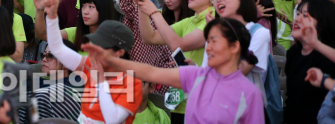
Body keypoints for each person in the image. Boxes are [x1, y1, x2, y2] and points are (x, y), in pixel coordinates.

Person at [83, 18, 265, 124]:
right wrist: (110, 59)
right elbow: (150, 72)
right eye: (207, 41)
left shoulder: (250, 94)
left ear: (234, 47)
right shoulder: (195, 75)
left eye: (214, 41)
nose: (208, 48)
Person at [135, 0, 224, 122]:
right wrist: (142, 6)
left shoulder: (214, 22)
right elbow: (149, 37)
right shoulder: (191, 21)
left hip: (201, 105)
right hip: (181, 103)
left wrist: (154, 13)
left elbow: (178, 45)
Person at [43, 0, 143, 124]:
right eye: (95, 43)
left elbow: (112, 120)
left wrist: (101, 80)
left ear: (119, 52)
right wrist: (52, 18)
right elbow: (57, 49)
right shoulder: (91, 64)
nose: (94, 49)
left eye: (101, 46)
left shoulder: (132, 82)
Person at [284, 0, 335, 124]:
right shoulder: (293, 53)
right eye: (298, 13)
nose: (297, 19)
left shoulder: (328, 58)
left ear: (322, 23)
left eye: (305, 15)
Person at [29, 43, 82, 122]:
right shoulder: (36, 82)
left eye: (50, 56)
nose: (44, 59)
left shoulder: (76, 86)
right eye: (43, 55)